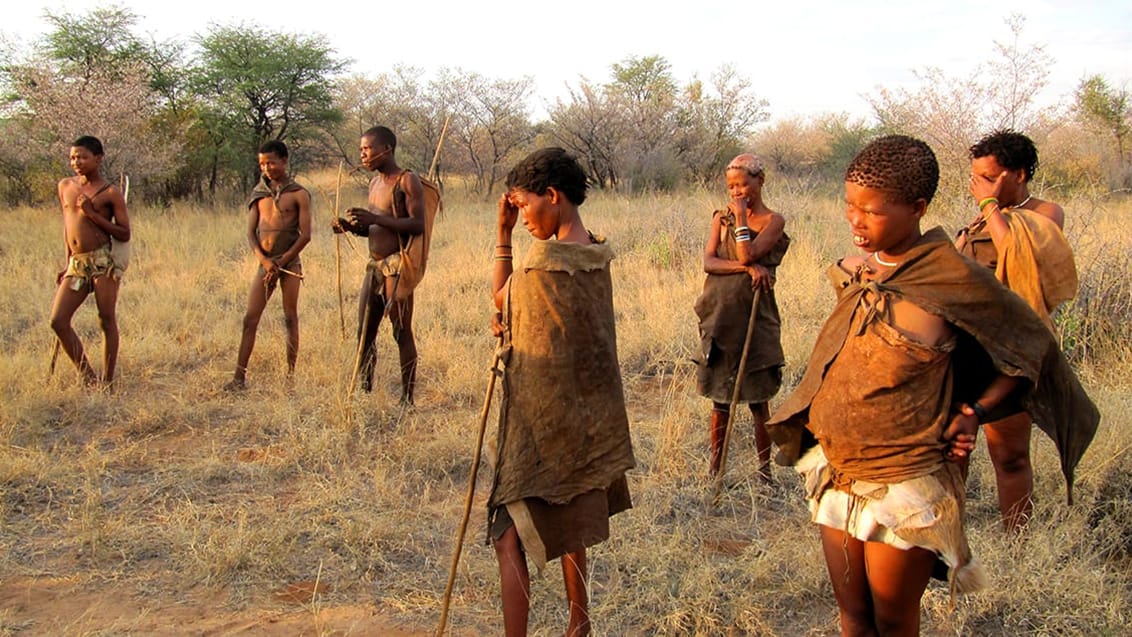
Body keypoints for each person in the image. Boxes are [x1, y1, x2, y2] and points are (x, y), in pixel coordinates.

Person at [765, 135, 1098, 636]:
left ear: (918, 208)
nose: (855, 220)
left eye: (871, 211)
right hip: (839, 470)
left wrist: (976, 412)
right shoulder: (859, 272)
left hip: (906, 482)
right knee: (853, 615)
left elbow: (1031, 347)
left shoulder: (951, 278)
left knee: (895, 619)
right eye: (849, 207)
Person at [487, 147, 635, 636]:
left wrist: (502, 236)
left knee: (508, 536)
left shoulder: (542, 267)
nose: (523, 216)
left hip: (543, 422)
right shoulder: (593, 252)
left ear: (553, 196)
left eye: (525, 206)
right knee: (571, 512)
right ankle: (579, 623)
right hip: (586, 421)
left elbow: (500, 301)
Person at [954, 129, 1079, 531]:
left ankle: (1017, 543)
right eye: (977, 178)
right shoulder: (983, 218)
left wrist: (990, 207)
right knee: (954, 448)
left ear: (1018, 174)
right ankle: (949, 536)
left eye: (989, 177)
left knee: (1008, 452)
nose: (980, 186)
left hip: (1012, 349)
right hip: (968, 344)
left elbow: (1020, 257)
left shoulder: (1046, 213)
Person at [693, 153, 788, 482]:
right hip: (721, 316)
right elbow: (709, 262)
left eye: (743, 184)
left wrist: (743, 217)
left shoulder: (774, 221)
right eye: (731, 186)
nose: (736, 191)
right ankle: (714, 473)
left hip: (756, 318)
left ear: (760, 181)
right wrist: (745, 268)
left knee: (758, 400)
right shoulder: (721, 218)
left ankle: (765, 476)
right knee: (720, 401)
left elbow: (748, 251)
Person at [333, 126, 426, 403]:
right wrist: (351, 228)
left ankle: (407, 398)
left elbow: (417, 224)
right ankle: (365, 391)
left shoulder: (407, 181)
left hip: (397, 267)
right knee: (364, 333)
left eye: (367, 149)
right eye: (361, 149)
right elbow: (376, 230)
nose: (362, 155)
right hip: (374, 267)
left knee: (400, 331)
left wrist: (375, 220)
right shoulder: (374, 184)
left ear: (387, 149)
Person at [225, 139, 312, 390]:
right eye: (262, 164)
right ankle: (239, 378)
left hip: (289, 264)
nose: (267, 168)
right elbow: (251, 233)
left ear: (284, 161)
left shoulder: (298, 194)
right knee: (250, 319)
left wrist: (282, 261)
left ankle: (290, 377)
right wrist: (264, 260)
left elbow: (305, 235)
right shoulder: (259, 194)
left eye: (271, 162)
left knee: (290, 318)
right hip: (265, 265)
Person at [50, 135, 131, 387]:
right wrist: (67, 263)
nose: (77, 162)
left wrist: (93, 215)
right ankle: (88, 377)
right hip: (77, 263)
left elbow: (124, 233)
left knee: (106, 318)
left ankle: (108, 381)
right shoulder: (65, 186)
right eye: (73, 157)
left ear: (98, 158)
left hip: (102, 261)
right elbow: (68, 227)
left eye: (83, 157)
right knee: (58, 321)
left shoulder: (110, 192)